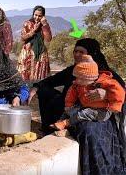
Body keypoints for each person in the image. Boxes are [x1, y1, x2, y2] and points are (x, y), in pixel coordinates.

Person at [28, 38, 126, 174]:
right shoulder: (73, 70)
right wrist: (36, 87)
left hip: (97, 113)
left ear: (92, 54)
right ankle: (49, 128)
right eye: (75, 51)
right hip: (71, 108)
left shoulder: (105, 74)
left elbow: (121, 93)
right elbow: (51, 80)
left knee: (89, 131)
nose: (77, 54)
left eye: (81, 52)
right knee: (45, 90)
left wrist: (106, 94)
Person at [50, 55, 125, 130]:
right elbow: (71, 94)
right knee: (69, 110)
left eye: (80, 78)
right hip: (84, 105)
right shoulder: (78, 84)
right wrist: (68, 105)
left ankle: (66, 123)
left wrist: (115, 106)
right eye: (76, 77)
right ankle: (60, 121)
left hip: (101, 110)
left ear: (90, 78)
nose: (77, 80)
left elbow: (119, 92)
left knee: (84, 113)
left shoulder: (106, 82)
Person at [17, 5, 52, 81]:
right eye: (35, 15)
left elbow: (48, 39)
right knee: (25, 76)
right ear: (33, 14)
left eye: (40, 16)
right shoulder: (27, 23)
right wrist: (34, 31)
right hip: (27, 53)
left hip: (40, 53)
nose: (37, 17)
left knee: (39, 77)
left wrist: (45, 25)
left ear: (43, 16)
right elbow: (23, 38)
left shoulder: (44, 25)